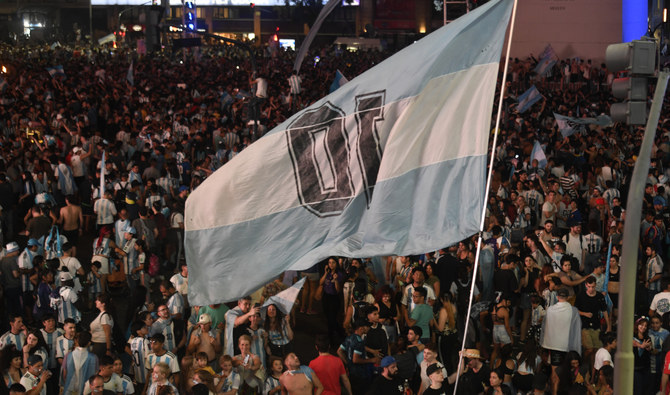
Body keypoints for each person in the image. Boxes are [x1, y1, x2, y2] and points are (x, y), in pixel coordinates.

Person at [540, 287, 582, 394]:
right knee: (569, 372)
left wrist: (544, 345)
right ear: (567, 298)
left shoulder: (550, 310)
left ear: (557, 297)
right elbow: (577, 330)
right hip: (568, 346)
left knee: (555, 373)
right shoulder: (573, 311)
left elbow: (545, 328)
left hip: (554, 347)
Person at [338, 319, 379, 394]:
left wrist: (347, 363)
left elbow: (339, 351)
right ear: (361, 328)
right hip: (359, 374)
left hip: (351, 372)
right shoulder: (359, 342)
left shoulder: (349, 338)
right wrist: (371, 360)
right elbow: (355, 360)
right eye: (366, 326)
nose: (368, 328)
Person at [90, 294, 114, 359]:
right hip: (97, 344)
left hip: (101, 345)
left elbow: (107, 334)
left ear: (103, 303)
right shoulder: (101, 315)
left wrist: (108, 349)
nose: (96, 302)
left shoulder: (105, 316)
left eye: (98, 300)